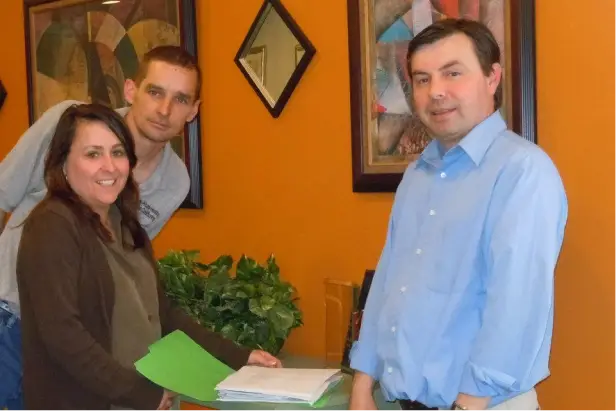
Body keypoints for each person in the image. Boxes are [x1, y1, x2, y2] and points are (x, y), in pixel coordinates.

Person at [348, 19, 567, 411]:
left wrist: (469, 403)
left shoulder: (522, 172)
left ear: (492, 77)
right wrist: (363, 383)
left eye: (452, 73)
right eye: (422, 79)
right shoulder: (417, 176)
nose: (436, 91)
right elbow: (390, 281)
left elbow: (515, 305)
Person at [15, 103, 280, 411]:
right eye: (92, 154)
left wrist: (239, 356)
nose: (109, 166)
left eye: (117, 152)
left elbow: (163, 314)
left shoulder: (124, 223)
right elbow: (63, 336)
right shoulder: (52, 225)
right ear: (63, 162)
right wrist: (139, 393)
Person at [0, 45, 203, 410]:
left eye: (180, 99)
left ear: (193, 110)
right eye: (155, 92)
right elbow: (2, 197)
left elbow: (127, 275)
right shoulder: (66, 122)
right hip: (9, 317)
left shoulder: (175, 182)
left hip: (78, 343)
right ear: (130, 90)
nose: (164, 110)